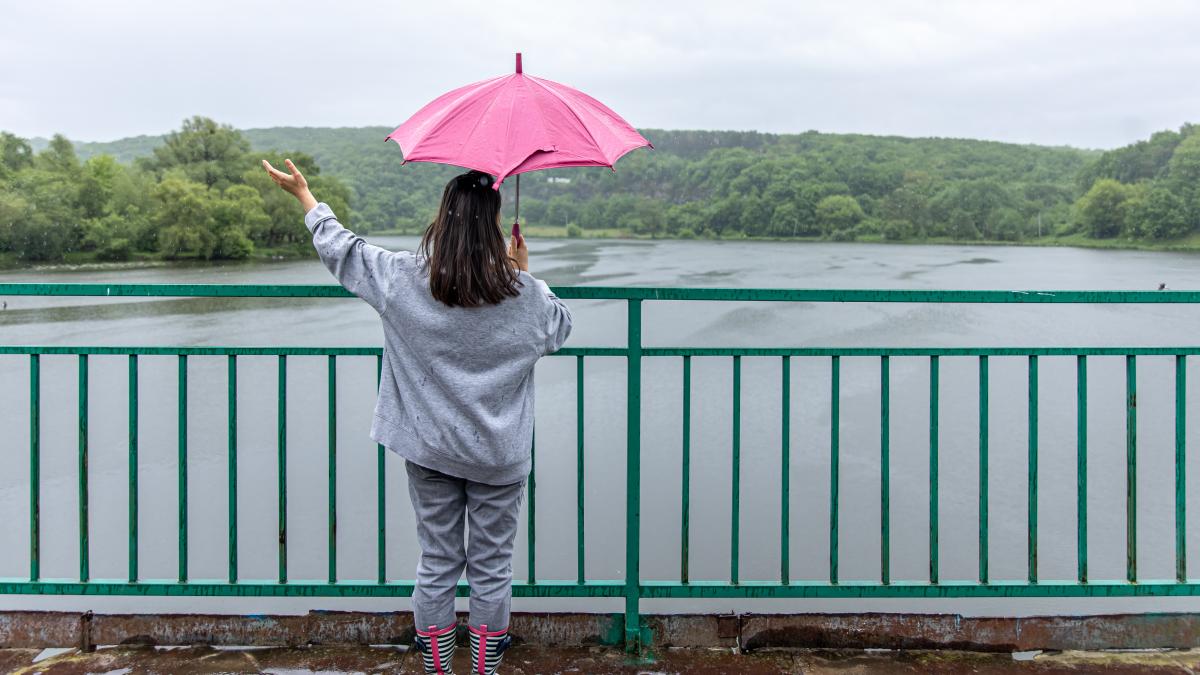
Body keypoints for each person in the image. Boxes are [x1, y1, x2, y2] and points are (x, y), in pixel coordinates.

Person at [263, 158, 572, 675]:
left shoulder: (403, 278)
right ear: (496, 226)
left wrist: (306, 197)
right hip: (498, 458)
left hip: (429, 450)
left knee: (437, 564)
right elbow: (560, 330)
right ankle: (484, 670)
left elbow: (343, 251)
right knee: (493, 571)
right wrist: (523, 273)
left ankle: (437, 670)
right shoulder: (526, 296)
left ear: (442, 220)